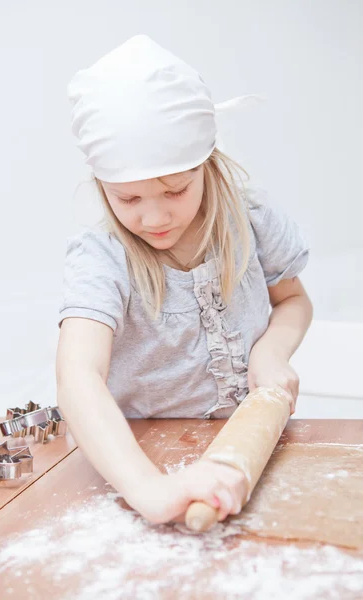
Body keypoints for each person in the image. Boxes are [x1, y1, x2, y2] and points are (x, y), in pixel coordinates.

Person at [56, 35, 313, 526]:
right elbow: (77, 376)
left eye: (175, 190)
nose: (153, 217)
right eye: (127, 199)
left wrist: (270, 351)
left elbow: (294, 300)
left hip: (251, 448)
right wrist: (149, 488)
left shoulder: (252, 220)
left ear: (207, 163)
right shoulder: (101, 257)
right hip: (138, 456)